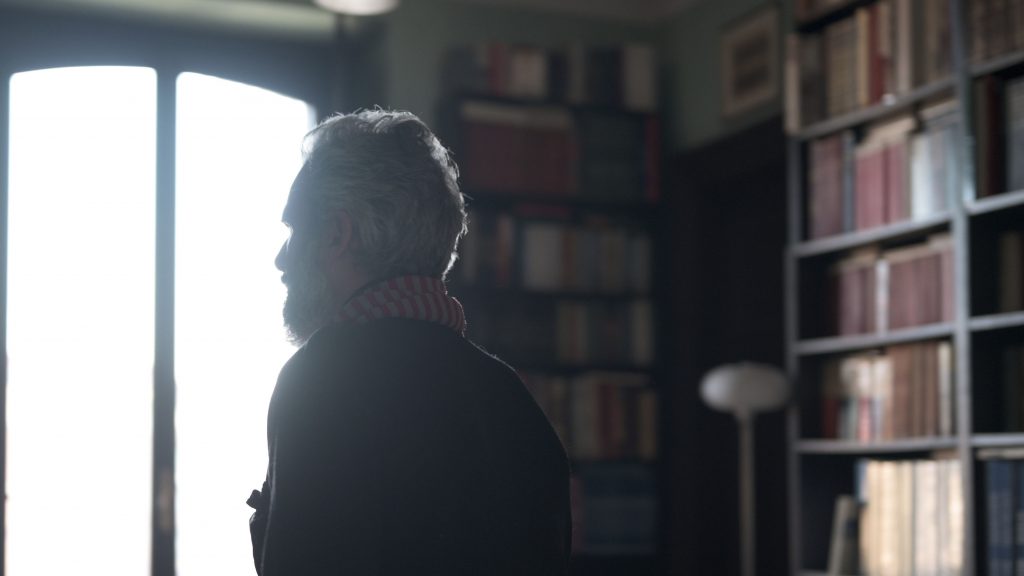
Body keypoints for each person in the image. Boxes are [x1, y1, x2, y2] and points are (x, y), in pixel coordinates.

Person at [247, 109, 572, 575]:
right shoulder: (511, 396)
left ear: (338, 233)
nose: (282, 258)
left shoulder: (321, 379)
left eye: (294, 229)